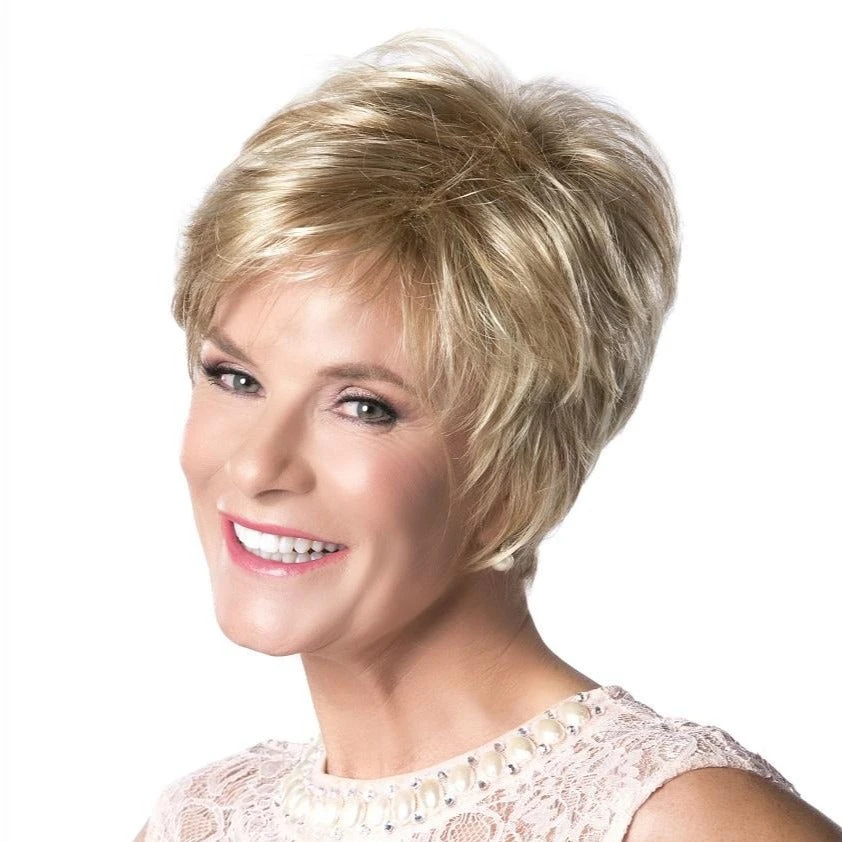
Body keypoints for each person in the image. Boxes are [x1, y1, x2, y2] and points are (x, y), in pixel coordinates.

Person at [136, 29, 842, 842]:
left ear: (521, 460)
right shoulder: (199, 820)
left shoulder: (682, 824)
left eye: (363, 406)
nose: (257, 463)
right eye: (235, 377)